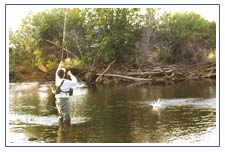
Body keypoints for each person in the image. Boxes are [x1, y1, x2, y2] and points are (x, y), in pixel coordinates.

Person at [55, 60, 77, 124]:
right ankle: (66, 131)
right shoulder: (66, 82)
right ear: (64, 74)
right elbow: (75, 82)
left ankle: (60, 130)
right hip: (64, 100)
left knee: (60, 116)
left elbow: (57, 73)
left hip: (58, 99)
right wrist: (70, 74)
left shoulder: (57, 80)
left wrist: (59, 66)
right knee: (67, 118)